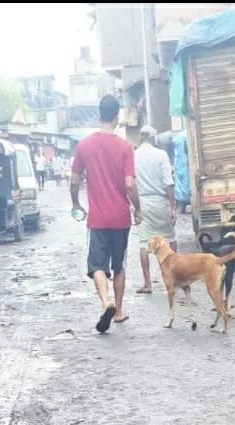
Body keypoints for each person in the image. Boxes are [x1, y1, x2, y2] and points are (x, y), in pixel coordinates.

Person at [70, 95, 142, 333]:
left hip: (98, 219)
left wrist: (76, 203)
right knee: (118, 265)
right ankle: (119, 311)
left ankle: (105, 303)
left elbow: (74, 179)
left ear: (99, 114)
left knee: (97, 265)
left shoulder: (84, 145)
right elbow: (130, 184)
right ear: (117, 115)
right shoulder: (125, 147)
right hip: (121, 217)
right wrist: (137, 209)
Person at [132, 126, 177, 294]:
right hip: (160, 201)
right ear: (152, 138)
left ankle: (148, 283)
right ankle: (173, 277)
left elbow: (130, 183)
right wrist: (172, 207)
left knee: (144, 243)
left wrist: (135, 207)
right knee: (170, 238)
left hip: (142, 202)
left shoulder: (133, 156)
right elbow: (169, 183)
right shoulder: (161, 155)